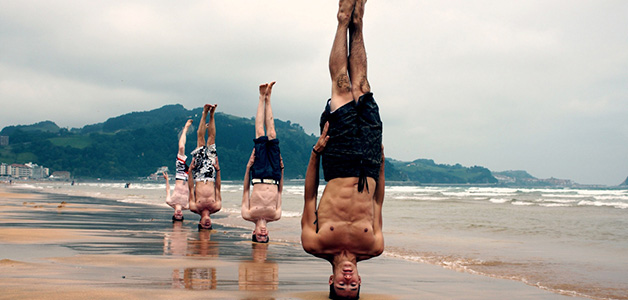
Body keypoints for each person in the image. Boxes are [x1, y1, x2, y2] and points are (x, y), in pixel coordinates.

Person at [300, 0, 384, 299]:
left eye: (341, 285)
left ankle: (341, 21)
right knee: (362, 84)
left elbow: (310, 196)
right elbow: (378, 203)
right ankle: (358, 25)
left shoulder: (315, 243)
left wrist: (315, 153)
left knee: (342, 85)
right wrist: (381, 163)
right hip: (369, 163)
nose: (347, 279)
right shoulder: (373, 246)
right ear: (360, 282)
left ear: (331, 281)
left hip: (336, 163)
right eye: (352, 285)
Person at [242, 82, 284, 243]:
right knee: (272, 134)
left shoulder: (248, 214)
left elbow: (246, 190)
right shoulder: (276, 216)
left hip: (258, 174)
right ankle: (269, 97)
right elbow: (280, 192)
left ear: (254, 233)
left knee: (261, 134)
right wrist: (282, 169)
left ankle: (261, 97)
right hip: (274, 174)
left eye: (260, 235)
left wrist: (248, 166)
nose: (263, 233)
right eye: (265, 236)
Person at [188, 104, 222, 230]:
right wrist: (218, 170)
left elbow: (191, 188)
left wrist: (190, 170)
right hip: (211, 175)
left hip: (198, 175)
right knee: (212, 140)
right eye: (209, 226)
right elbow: (218, 188)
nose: (207, 224)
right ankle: (212, 114)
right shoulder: (216, 206)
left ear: (200, 223)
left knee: (200, 140)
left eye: (204, 226)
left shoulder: (194, 207)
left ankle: (204, 113)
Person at [164, 119, 194, 222]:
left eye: (177, 216)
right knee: (199, 154)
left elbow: (168, 190)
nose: (179, 214)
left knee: (181, 147)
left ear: (173, 214)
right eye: (180, 216)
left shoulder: (169, 201)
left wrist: (167, 179)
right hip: (190, 177)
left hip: (180, 175)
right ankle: (203, 132)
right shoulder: (188, 206)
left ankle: (185, 129)